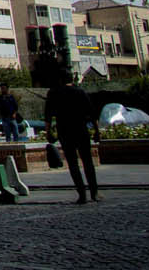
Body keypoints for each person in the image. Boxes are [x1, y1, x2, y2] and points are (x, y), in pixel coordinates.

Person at [45, 71, 101, 203]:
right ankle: (94, 193)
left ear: (60, 80)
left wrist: (48, 132)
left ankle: (82, 194)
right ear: (72, 79)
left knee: (72, 163)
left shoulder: (53, 93)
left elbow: (48, 116)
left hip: (64, 131)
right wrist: (97, 131)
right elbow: (92, 114)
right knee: (87, 162)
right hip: (81, 129)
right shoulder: (80, 92)